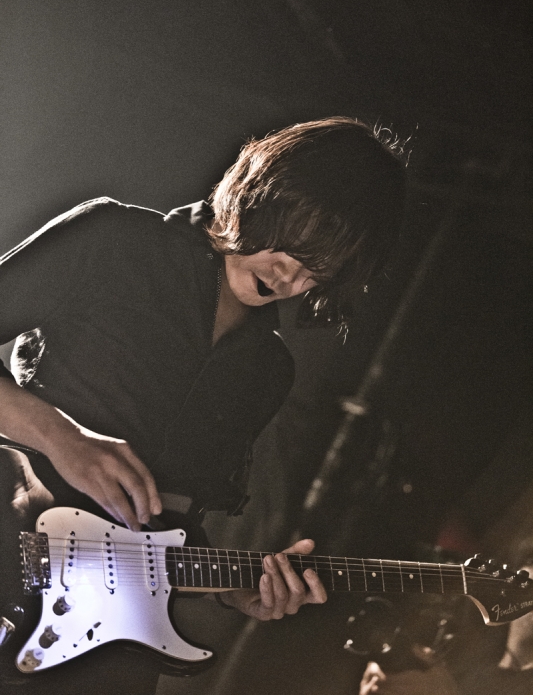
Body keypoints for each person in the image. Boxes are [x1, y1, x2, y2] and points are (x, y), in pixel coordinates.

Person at [0, 117, 406, 692]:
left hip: (104, 645)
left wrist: (234, 590)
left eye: (318, 268)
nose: (289, 276)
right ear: (257, 192)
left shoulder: (269, 369)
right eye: (291, 243)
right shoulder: (115, 239)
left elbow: (170, 523)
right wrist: (63, 438)